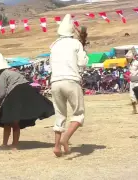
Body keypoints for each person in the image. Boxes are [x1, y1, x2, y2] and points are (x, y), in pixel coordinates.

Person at [0, 52, 54, 151]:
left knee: (8, 120)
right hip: (27, 92)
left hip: (15, 93)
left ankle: (6, 144)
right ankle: (14, 145)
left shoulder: (3, 74)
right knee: (14, 120)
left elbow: (2, 93)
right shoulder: (14, 72)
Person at [49, 14, 88, 157]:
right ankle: (65, 139)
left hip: (55, 82)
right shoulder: (75, 43)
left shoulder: (54, 45)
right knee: (79, 113)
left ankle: (56, 147)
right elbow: (82, 63)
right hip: (71, 80)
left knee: (60, 114)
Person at [126, 47, 138, 114]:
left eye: (127, 58)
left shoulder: (137, 63)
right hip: (132, 81)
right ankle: (134, 109)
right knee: (132, 96)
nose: (127, 59)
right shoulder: (128, 64)